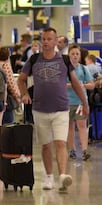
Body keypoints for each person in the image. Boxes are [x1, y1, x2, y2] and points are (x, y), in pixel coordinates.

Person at [17, 27, 89, 193]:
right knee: (46, 145)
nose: (46, 42)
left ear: (56, 42)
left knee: (60, 143)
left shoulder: (64, 60)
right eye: (44, 39)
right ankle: (49, 176)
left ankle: (62, 175)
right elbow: (21, 80)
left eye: (50, 39)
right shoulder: (34, 60)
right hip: (40, 109)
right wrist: (24, 94)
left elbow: (76, 83)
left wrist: (84, 103)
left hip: (61, 109)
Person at [66, 44, 94, 161]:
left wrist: (82, 85)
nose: (75, 56)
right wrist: (73, 85)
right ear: (68, 55)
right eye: (72, 54)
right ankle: (72, 150)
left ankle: (84, 150)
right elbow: (60, 85)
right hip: (67, 102)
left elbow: (91, 84)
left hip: (80, 102)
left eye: (77, 54)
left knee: (82, 125)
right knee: (69, 126)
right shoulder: (65, 69)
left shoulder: (84, 69)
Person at [0, 47, 20, 124]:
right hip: (6, 99)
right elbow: (11, 84)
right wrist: (18, 97)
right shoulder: (6, 65)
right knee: (8, 124)